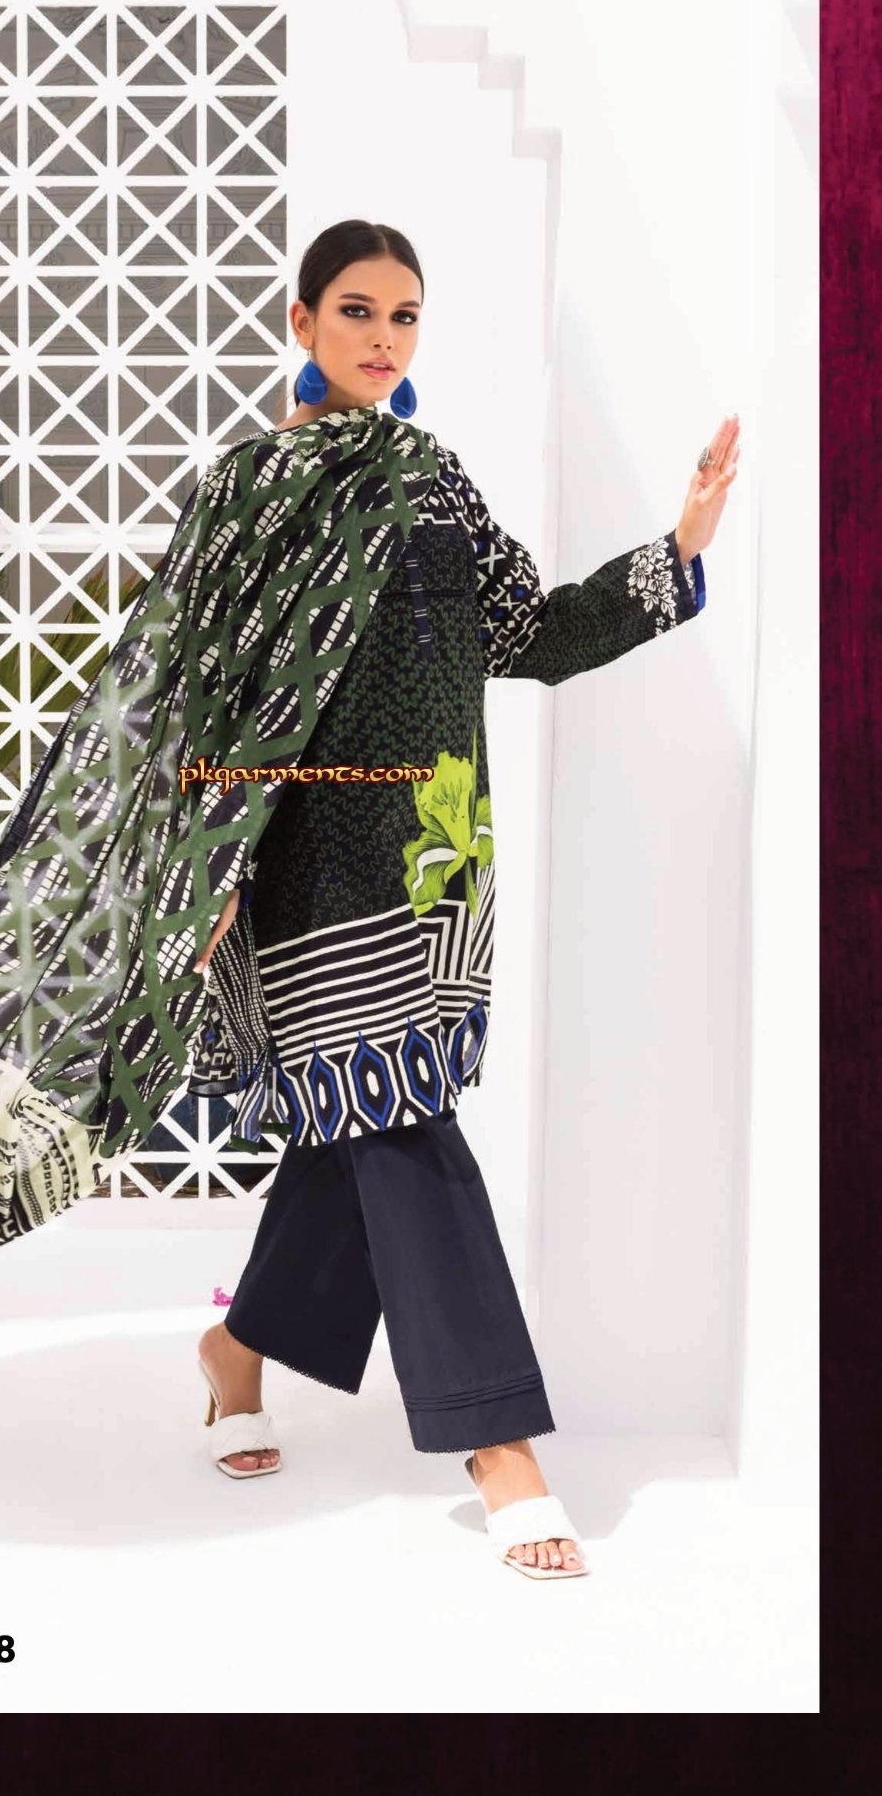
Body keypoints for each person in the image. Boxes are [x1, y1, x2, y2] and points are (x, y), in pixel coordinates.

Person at [187, 219, 739, 1579]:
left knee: (360, 1124)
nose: (383, 338)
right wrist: (205, 869)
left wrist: (678, 547)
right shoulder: (247, 489)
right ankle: (500, 1444)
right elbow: (201, 693)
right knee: (404, 1128)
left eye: (405, 316)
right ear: (302, 320)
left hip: (433, 864)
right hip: (304, 868)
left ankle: (238, 1347)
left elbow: (531, 633)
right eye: (357, 310)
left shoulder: (429, 480)